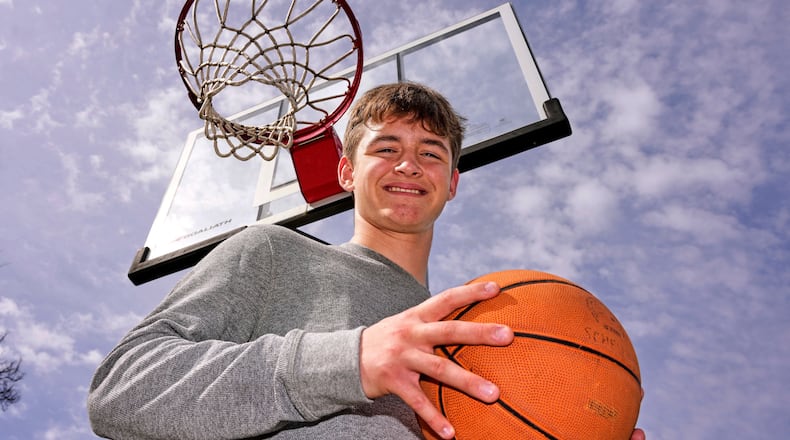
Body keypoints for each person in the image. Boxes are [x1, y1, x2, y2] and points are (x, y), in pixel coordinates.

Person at [88, 82, 645, 440]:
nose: (409, 165)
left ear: (451, 184)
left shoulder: (477, 333)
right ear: (346, 172)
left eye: (430, 154)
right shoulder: (272, 251)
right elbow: (120, 392)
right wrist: (348, 360)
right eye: (386, 148)